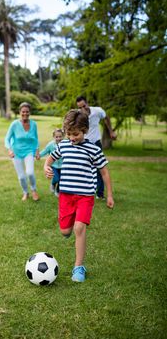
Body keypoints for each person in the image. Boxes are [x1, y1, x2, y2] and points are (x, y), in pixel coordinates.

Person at [44, 109, 114, 282]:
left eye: (75, 134)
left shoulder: (93, 149)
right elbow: (50, 159)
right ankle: (72, 223)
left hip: (85, 196)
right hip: (66, 196)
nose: (72, 138)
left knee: (79, 228)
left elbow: (104, 172)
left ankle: (78, 267)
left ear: (85, 130)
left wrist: (110, 195)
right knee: (65, 231)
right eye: (69, 134)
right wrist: (46, 167)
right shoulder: (63, 145)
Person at [76, 96, 116, 199]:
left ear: (87, 103)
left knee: (100, 167)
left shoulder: (97, 111)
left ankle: (100, 193)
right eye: (80, 108)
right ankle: (82, 190)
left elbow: (106, 117)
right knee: (82, 167)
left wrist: (111, 131)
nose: (83, 109)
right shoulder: (79, 115)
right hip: (83, 144)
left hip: (96, 143)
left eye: (84, 106)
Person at [4, 102, 40, 201]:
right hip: (16, 153)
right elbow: (7, 139)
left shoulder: (34, 124)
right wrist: (9, 150)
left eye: (27, 112)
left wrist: (37, 150)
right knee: (22, 177)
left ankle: (33, 190)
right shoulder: (14, 124)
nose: (25, 114)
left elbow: (36, 139)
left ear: (30, 112)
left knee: (30, 173)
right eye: (23, 112)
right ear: (20, 112)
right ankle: (25, 192)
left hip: (29, 151)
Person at [40, 128, 64, 197]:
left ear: (63, 136)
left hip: (63, 166)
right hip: (54, 165)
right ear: (54, 137)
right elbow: (45, 151)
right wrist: (38, 155)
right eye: (57, 137)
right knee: (56, 178)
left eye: (60, 136)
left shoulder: (64, 144)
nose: (59, 138)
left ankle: (57, 191)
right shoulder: (51, 145)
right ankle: (53, 184)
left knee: (61, 180)